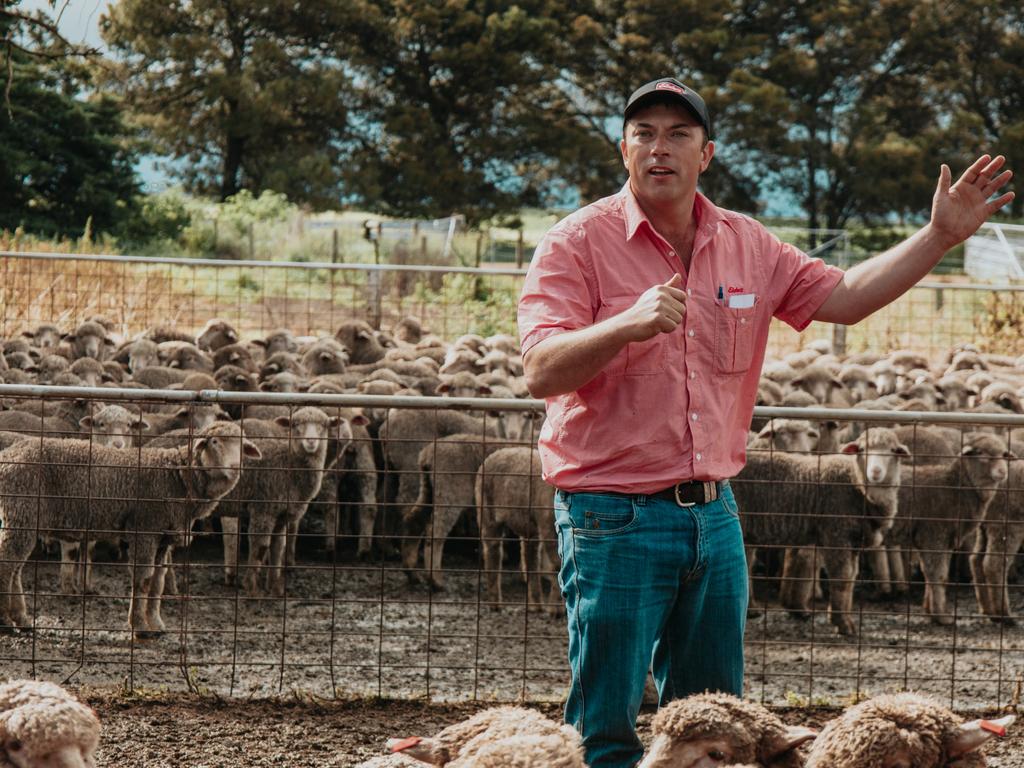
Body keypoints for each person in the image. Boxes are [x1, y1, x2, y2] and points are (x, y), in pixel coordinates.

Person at [516, 76, 1014, 768]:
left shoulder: (746, 244)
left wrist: (937, 237)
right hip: (612, 516)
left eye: (678, 134)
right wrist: (625, 325)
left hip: (715, 514)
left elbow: (844, 295)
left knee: (719, 721)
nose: (660, 148)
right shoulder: (575, 244)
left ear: (707, 153)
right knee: (605, 725)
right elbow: (540, 369)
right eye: (645, 133)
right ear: (623, 148)